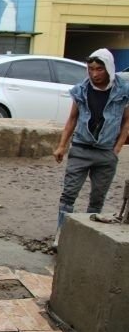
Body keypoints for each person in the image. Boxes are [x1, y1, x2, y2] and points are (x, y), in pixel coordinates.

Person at [53, 48, 129, 246]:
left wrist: (116, 149)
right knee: (68, 194)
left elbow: (126, 122)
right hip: (81, 148)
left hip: (106, 152)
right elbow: (72, 118)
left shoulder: (123, 91)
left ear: (109, 69)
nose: (94, 74)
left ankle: (88, 237)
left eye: (99, 69)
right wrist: (62, 146)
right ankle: (61, 235)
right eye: (91, 69)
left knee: (97, 198)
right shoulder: (81, 90)